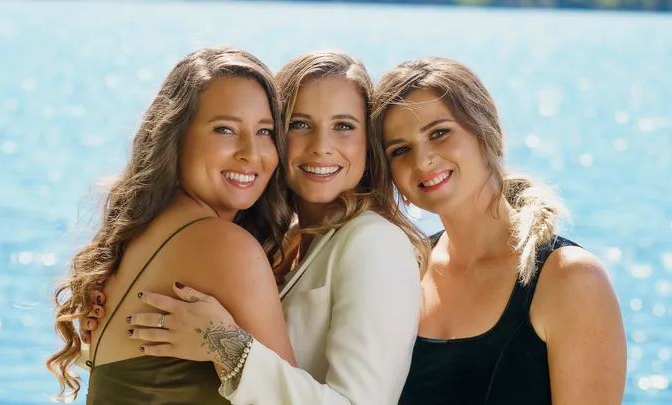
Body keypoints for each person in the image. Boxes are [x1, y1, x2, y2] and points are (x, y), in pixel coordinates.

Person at [81, 51, 428, 405]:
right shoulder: (277, 244)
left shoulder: (374, 241)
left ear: (368, 143)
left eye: (343, 126)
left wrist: (227, 346)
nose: (321, 146)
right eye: (299, 124)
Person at [371, 57, 627, 405]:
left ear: (485, 130)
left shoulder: (570, 279)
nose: (422, 160)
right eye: (400, 150)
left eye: (439, 133)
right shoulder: (405, 272)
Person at [47, 47, 296, 404]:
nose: (251, 153)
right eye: (225, 129)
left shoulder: (141, 234)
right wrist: (228, 346)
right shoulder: (224, 245)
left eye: (265, 131)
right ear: (175, 137)